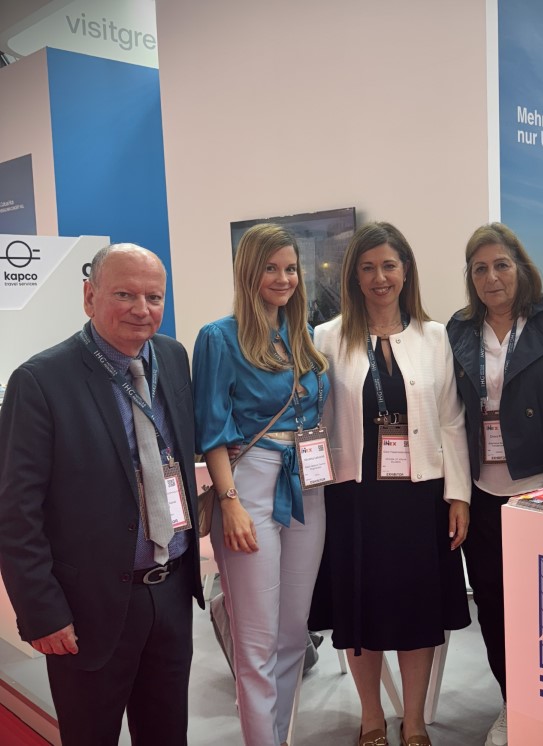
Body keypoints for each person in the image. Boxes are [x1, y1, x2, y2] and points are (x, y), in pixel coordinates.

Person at [0, 244, 204, 745]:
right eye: (124, 294)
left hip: (171, 590)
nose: (142, 309)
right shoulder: (40, 381)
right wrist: (42, 612)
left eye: (154, 297)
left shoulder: (172, 357)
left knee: (167, 735)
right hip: (88, 606)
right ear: (89, 296)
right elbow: (15, 511)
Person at [311, 221, 471, 746]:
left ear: (405, 271)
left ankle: (415, 720)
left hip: (419, 496)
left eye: (388, 265)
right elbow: (317, 420)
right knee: (361, 611)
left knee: (417, 611)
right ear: (354, 276)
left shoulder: (433, 336)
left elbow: (451, 420)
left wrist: (458, 495)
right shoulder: (327, 337)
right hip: (354, 497)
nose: (379, 277)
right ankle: (372, 717)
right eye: (367, 267)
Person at [446, 223, 543, 746]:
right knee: (493, 603)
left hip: (541, 491)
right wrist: (457, 490)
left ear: (520, 267)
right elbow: (450, 412)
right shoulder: (459, 329)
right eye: (480, 269)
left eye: (501, 265)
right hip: (483, 494)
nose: (492, 277)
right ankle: (515, 703)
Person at [193, 223, 330, 746]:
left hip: (306, 483)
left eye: (291, 268)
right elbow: (212, 429)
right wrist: (229, 502)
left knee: (294, 634)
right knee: (255, 643)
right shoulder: (219, 337)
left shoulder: (304, 335)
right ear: (249, 272)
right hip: (248, 482)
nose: (283, 278)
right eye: (271, 268)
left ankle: (277, 737)